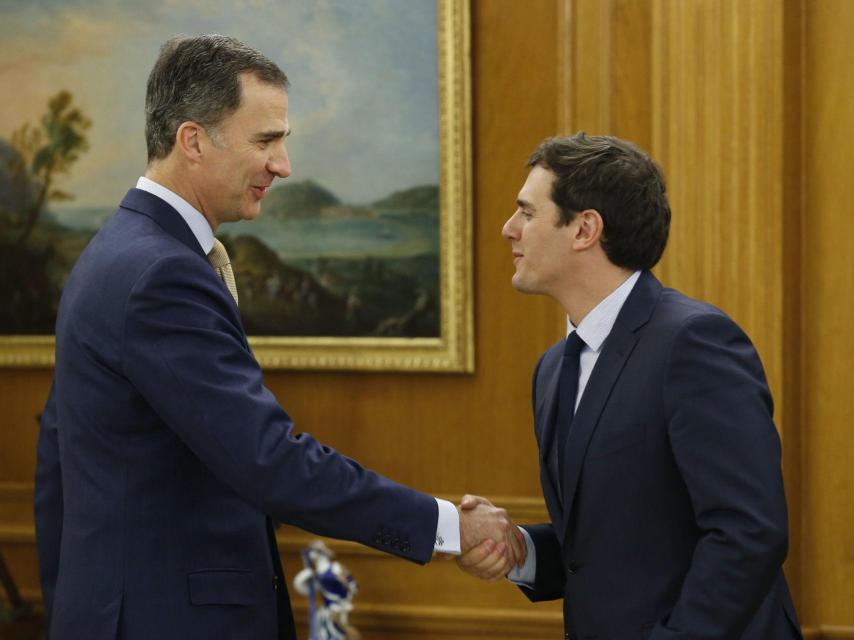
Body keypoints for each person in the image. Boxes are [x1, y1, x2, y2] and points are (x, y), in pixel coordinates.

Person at [33, 34, 524, 640]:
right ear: (192, 140)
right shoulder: (161, 274)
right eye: (266, 141)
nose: (283, 165)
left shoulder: (113, 252)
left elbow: (57, 457)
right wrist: (447, 525)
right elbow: (270, 462)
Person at [457, 133, 803, 639]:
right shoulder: (554, 367)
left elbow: (748, 533)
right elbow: (606, 546)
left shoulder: (694, 343)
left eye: (527, 213)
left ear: (585, 229)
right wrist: (518, 551)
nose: (508, 229)